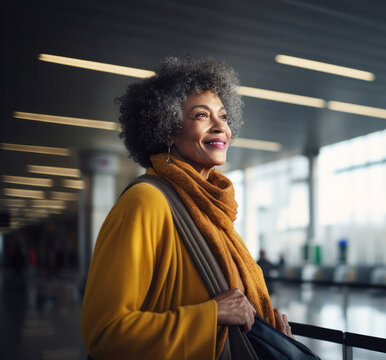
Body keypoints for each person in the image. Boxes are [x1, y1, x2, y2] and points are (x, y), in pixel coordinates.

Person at [81, 57, 292, 359]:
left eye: (223, 116)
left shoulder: (211, 208)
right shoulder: (146, 202)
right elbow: (105, 333)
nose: (221, 127)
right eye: (201, 116)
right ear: (167, 130)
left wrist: (269, 336)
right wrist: (210, 315)